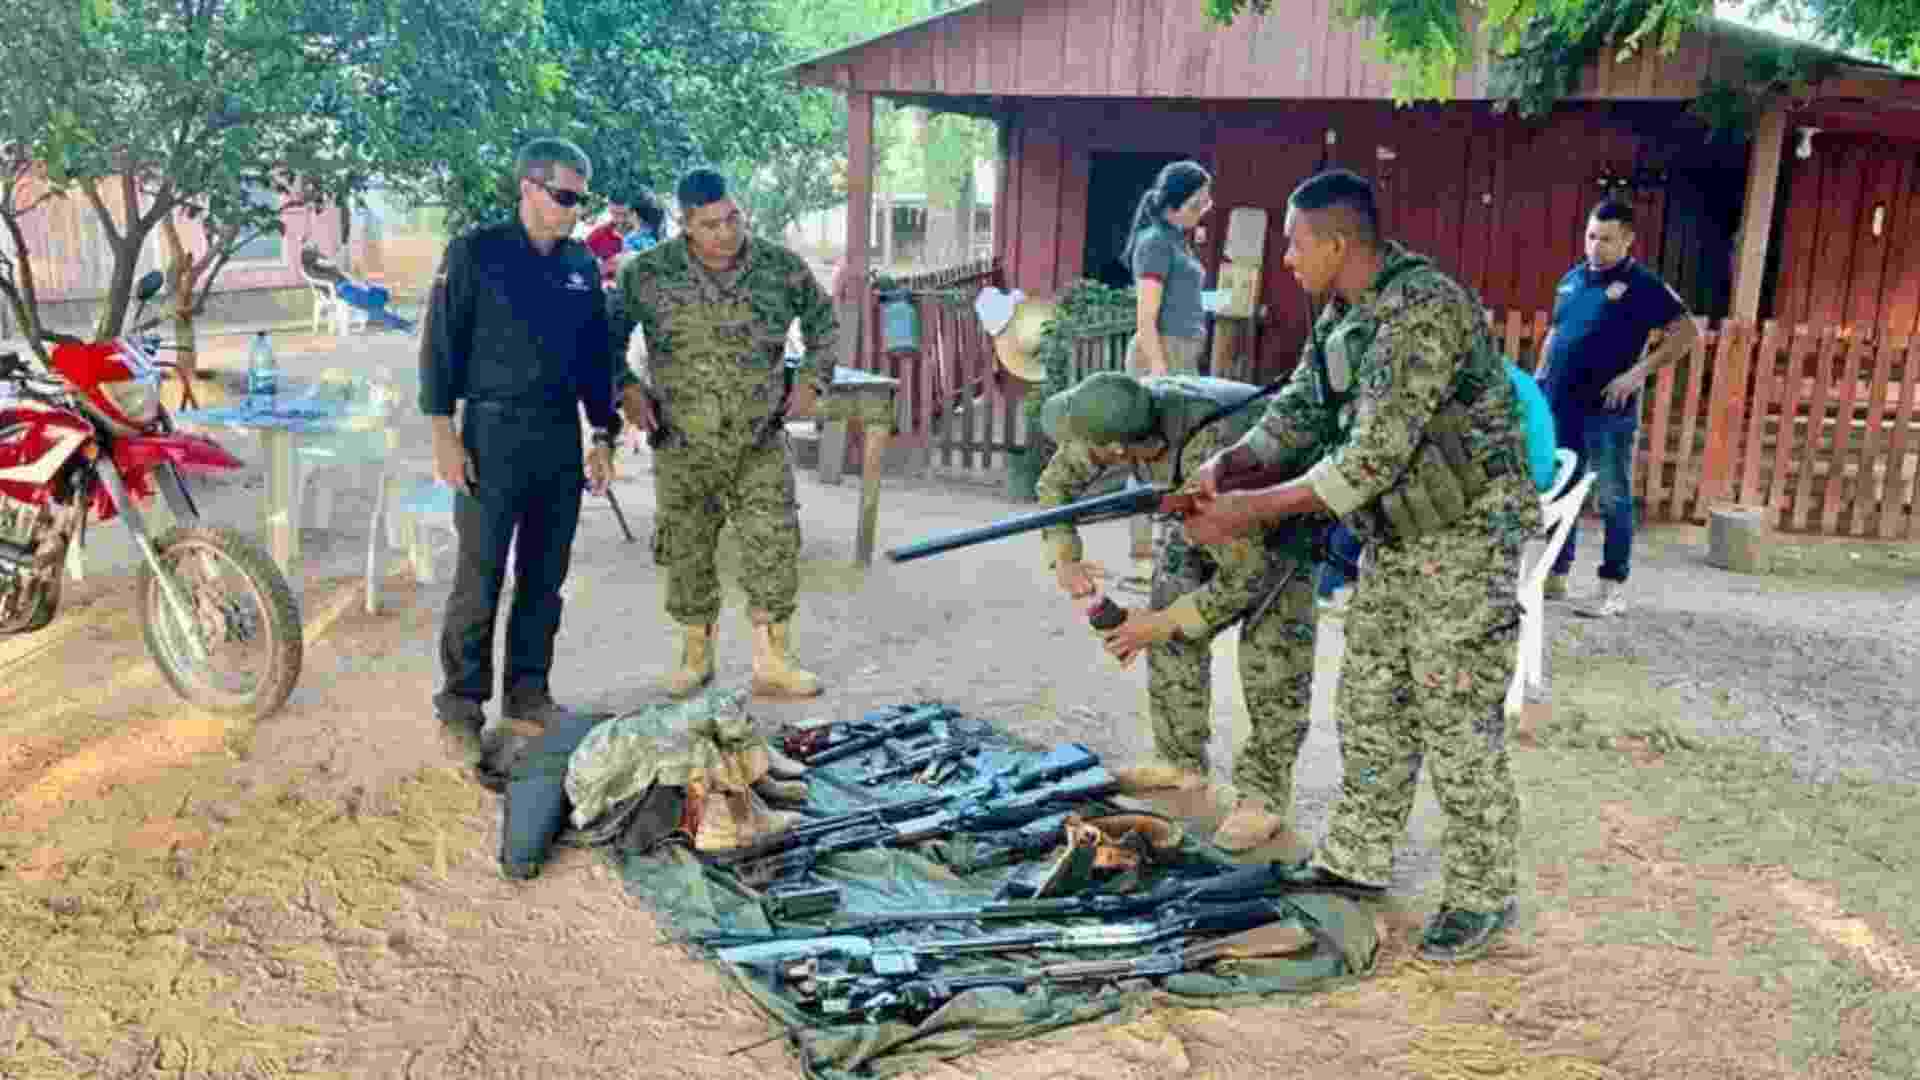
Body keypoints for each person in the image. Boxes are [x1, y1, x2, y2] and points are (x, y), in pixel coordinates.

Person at [1182, 169, 1540, 962]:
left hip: (1466, 537)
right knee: (1372, 701)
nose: (1283, 256)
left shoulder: (1424, 311)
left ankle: (1483, 894)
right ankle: (1357, 860)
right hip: (1399, 540)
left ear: (1337, 244)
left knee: (1455, 717)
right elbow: (1301, 412)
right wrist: (1229, 467)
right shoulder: (1342, 315)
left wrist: (1250, 510)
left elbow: (1372, 456)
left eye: (1293, 240)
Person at [1037, 370, 1324, 851]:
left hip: (1274, 532)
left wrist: (1163, 624)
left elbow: (1248, 574)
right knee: (1168, 625)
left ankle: (1263, 795)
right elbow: (1055, 488)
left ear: (1118, 450)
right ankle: (1179, 761)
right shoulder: (1116, 412)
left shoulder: (1210, 449)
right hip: (1188, 514)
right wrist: (1064, 554)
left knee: (1273, 659)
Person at [419, 136, 620, 765]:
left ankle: (529, 694)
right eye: (564, 196)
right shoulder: (475, 254)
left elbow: (595, 359)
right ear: (528, 188)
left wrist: (603, 433)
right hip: (490, 435)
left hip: (558, 436)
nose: (573, 211)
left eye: (581, 201)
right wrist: (443, 434)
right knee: (479, 579)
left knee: (545, 578)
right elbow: (440, 347)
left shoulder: (581, 265)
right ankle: (460, 707)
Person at [608, 167, 838, 700]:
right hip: (681, 440)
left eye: (733, 218)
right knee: (687, 546)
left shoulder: (779, 268)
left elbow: (824, 322)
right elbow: (603, 336)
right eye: (711, 224)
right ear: (686, 225)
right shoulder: (648, 272)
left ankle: (772, 660)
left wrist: (812, 381)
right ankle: (695, 657)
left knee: (773, 543)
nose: (727, 232)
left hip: (759, 437)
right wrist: (626, 388)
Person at [1537, 199, 1698, 617]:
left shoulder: (1643, 285)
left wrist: (1637, 374)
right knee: (1563, 490)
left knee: (1612, 497)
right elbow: (1556, 334)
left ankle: (1611, 588)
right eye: (1591, 236)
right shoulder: (1571, 280)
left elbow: (1686, 333)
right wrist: (1539, 378)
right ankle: (1556, 575)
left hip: (1608, 410)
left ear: (1627, 239)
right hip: (1561, 405)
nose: (1595, 246)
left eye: (1606, 239)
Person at [1119, 160, 1215, 591]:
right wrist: (1160, 372)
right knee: (1147, 456)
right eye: (1198, 201)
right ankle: (1142, 557)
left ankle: (1167, 552)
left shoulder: (1179, 240)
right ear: (1175, 204)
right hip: (1160, 353)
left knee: (1177, 458)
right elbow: (1146, 318)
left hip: (1183, 352)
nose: (1206, 207)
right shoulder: (1155, 243)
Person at [300, 241, 413, 332]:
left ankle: (381, 321)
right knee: (373, 305)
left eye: (316, 247)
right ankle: (402, 324)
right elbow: (330, 264)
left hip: (347, 286)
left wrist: (358, 282)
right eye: (314, 248)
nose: (317, 249)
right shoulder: (310, 262)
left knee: (380, 293)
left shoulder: (319, 260)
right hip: (341, 291)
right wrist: (337, 258)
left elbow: (339, 270)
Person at [585, 198, 637, 282]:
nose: (620, 220)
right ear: (609, 210)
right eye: (615, 214)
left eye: (625, 214)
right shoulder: (598, 234)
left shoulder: (647, 236)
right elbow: (582, 271)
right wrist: (605, 267)